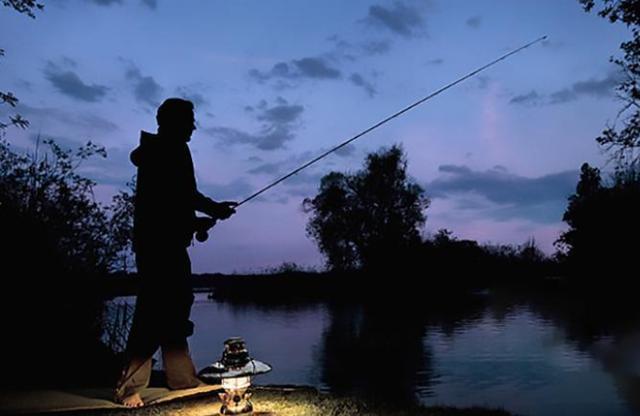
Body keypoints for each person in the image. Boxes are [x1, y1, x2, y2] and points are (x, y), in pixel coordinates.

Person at [114, 98, 237, 407]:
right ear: (173, 121)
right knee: (153, 310)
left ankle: (181, 378)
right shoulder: (168, 150)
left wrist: (201, 216)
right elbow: (174, 199)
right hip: (158, 246)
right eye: (189, 120)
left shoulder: (167, 149)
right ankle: (129, 388)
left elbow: (175, 200)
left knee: (176, 307)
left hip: (165, 243)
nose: (193, 126)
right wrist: (210, 211)